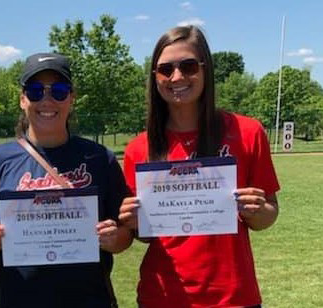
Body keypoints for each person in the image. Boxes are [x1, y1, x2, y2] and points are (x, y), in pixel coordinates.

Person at [119, 25, 280, 308]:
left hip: (233, 297)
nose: (177, 76)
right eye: (165, 69)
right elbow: (145, 236)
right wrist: (134, 223)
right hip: (163, 297)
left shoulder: (247, 132)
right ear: (154, 77)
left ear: (206, 70)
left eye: (189, 66)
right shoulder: (138, 149)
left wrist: (256, 210)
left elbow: (268, 216)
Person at [0, 52, 133, 308]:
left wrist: (114, 239)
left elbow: (126, 233)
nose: (47, 100)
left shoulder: (100, 158)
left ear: (71, 98)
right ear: (23, 99)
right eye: (35, 91)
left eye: (58, 90)